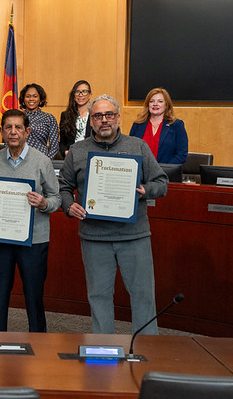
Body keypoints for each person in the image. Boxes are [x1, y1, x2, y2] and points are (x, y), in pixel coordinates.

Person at [59, 94, 168, 335]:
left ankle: (147, 351)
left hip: (134, 236)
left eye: (109, 115)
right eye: (98, 116)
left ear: (118, 117)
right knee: (98, 297)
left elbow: (161, 182)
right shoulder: (77, 151)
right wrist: (68, 206)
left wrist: (145, 190)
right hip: (94, 238)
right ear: (92, 121)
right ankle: (103, 352)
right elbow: (63, 187)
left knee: (142, 296)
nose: (104, 120)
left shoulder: (137, 146)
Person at [0, 109, 60, 332]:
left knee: (33, 295)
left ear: (27, 131)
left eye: (18, 128)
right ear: (2, 131)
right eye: (8, 128)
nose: (13, 132)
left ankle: (39, 343)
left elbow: (56, 198)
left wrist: (44, 203)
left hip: (34, 241)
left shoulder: (42, 161)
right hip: (0, 239)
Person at [129, 88, 188, 164]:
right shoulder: (137, 124)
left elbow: (181, 155)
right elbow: (130, 151)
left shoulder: (176, 125)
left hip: (166, 172)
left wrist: (162, 170)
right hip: (141, 172)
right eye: (151, 101)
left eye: (160, 101)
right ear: (148, 104)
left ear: (166, 105)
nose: (155, 104)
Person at [19, 83, 59, 159]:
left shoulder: (49, 118)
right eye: (28, 96)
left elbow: (54, 147)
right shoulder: (17, 117)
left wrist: (46, 162)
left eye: (35, 96)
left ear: (40, 98)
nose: (31, 99)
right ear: (23, 99)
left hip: (41, 160)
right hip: (19, 161)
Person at [59, 80, 93, 157]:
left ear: (90, 94)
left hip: (90, 156)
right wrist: (65, 152)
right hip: (71, 156)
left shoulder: (95, 115)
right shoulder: (66, 115)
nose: (80, 95)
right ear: (74, 95)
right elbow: (62, 142)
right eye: (77, 92)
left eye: (84, 91)